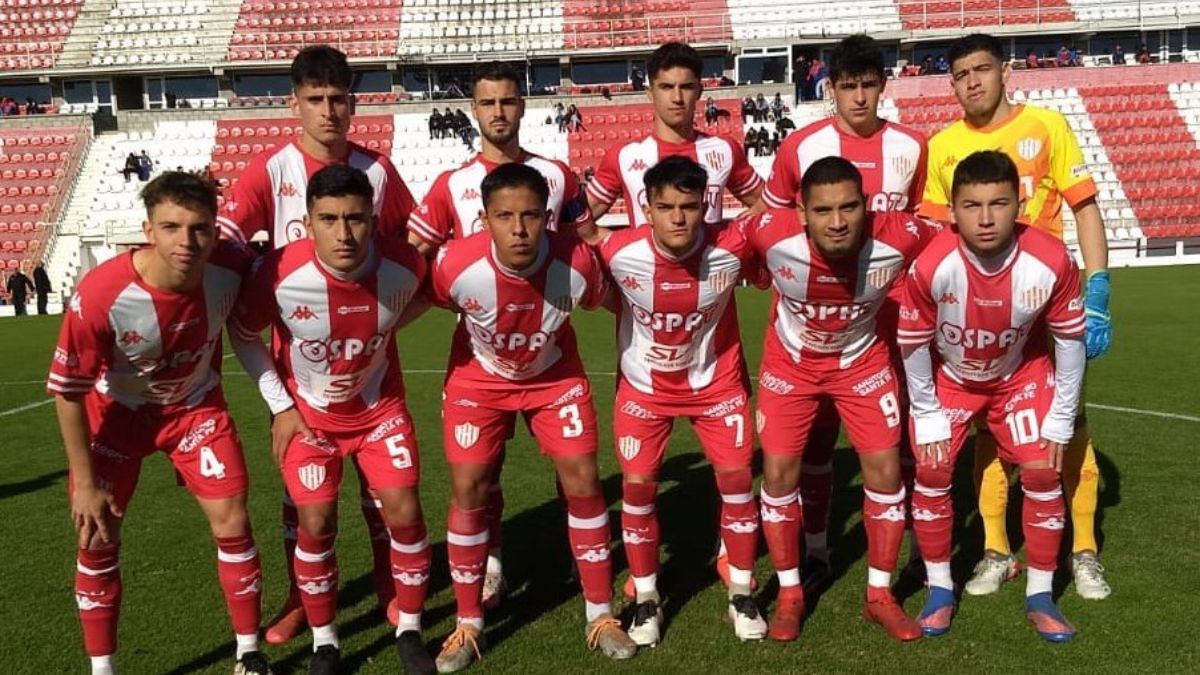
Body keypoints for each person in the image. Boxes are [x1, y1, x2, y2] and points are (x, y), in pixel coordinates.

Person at [215, 44, 419, 645]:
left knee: (382, 491)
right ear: (295, 103)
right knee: (302, 498)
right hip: (297, 367)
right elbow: (227, 246)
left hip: (371, 365)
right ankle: (300, 600)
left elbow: (409, 251)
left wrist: (377, 320)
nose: (327, 111)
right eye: (315, 100)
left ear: (353, 102)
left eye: (338, 99)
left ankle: (389, 586)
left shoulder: (377, 172)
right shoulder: (268, 171)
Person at [48, 171, 271, 675]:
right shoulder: (102, 293)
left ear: (216, 231)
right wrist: (83, 483)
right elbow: (67, 392)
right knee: (97, 535)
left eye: (199, 228)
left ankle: (249, 655)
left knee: (234, 522)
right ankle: (102, 670)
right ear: (148, 229)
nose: (186, 241)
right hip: (117, 418)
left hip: (194, 410)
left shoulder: (233, 268)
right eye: (171, 227)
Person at [919, 32, 1112, 601]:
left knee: (1067, 425)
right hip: (979, 316)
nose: (972, 82)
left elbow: (1084, 207)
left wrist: (1097, 290)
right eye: (960, 75)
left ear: (1005, 72)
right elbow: (933, 234)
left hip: (1045, 307)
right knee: (987, 431)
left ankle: (1083, 550)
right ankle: (997, 551)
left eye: (981, 69)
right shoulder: (942, 147)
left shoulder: (1047, 126)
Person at [426, 164, 637, 671]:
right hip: (479, 382)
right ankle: (468, 622)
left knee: (584, 481)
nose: (517, 229)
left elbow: (611, 301)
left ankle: (600, 613)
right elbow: (423, 301)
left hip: (553, 379)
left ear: (547, 217)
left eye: (528, 216)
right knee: (469, 489)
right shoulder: (453, 265)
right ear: (484, 218)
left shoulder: (577, 264)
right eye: (504, 217)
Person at [230, 166, 435, 674]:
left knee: (405, 513)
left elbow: (433, 293)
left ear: (373, 220)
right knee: (316, 523)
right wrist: (281, 406)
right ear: (307, 222)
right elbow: (242, 332)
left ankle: (409, 630)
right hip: (311, 421)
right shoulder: (276, 273)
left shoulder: (405, 265)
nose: (344, 233)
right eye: (329, 219)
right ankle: (326, 641)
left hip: (378, 413)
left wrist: (384, 326)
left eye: (356, 219)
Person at [406, 62, 595, 610]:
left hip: (549, 347)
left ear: (523, 105)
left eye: (508, 102)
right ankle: (489, 563)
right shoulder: (451, 186)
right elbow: (417, 256)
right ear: (474, 110)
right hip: (481, 351)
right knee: (480, 475)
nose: (499, 113)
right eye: (488, 103)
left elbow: (587, 243)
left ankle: (583, 559)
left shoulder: (557, 176)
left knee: (575, 469)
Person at [760, 33, 929, 589]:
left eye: (868, 85)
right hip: (813, 323)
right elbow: (778, 224)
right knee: (812, 442)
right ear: (830, 88)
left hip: (890, 319)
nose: (859, 97)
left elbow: (917, 234)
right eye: (847, 86)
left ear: (883, 85)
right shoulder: (799, 148)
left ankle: (910, 548)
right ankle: (815, 549)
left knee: (898, 440)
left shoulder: (910, 147)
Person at [744, 156, 936, 643]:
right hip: (791, 367)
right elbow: (720, 252)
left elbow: (958, 249)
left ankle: (879, 595)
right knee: (778, 474)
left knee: (886, 470)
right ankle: (790, 594)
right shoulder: (768, 233)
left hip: (863, 366)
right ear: (800, 212)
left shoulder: (903, 234)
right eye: (823, 210)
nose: (836, 221)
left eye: (849, 207)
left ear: (867, 207)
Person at [899, 150, 1086, 642]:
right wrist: (927, 410)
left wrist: (1062, 417)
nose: (985, 218)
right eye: (972, 205)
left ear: (1018, 203)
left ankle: (1041, 594)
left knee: (1044, 468)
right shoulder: (931, 264)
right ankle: (940, 588)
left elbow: (1070, 342)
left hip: (1018, 376)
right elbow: (912, 343)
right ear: (953, 209)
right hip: (951, 381)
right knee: (933, 468)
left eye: (998, 203)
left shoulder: (1050, 260)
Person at [592, 156, 766, 646]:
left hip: (717, 386)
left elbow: (780, 225)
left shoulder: (732, 247)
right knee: (639, 490)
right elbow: (584, 276)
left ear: (705, 206)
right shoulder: (619, 253)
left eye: (689, 206)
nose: (678, 218)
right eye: (665, 206)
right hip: (645, 391)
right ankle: (646, 597)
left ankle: (740, 590)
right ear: (646, 209)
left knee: (736, 484)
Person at [584, 42, 762, 236]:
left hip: (709, 266)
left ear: (699, 92)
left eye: (686, 87)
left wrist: (733, 234)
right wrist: (621, 245)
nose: (677, 97)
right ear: (650, 93)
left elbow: (769, 204)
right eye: (666, 87)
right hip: (647, 266)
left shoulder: (725, 150)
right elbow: (578, 222)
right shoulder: (624, 156)